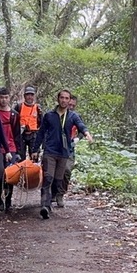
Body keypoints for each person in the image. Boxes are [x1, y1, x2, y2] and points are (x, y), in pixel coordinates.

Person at [32, 90, 93, 219]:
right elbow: (41, 133)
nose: (64, 100)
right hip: (50, 151)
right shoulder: (49, 115)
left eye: (66, 98)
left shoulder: (72, 116)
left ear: (69, 100)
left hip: (64, 152)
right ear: (58, 99)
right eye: (62, 98)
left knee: (58, 179)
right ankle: (45, 206)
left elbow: (81, 125)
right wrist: (35, 149)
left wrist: (86, 133)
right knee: (48, 178)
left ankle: (54, 197)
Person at [0, 87, 22, 211]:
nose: (4, 100)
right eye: (1, 97)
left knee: (10, 176)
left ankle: (8, 202)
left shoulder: (14, 115)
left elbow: (17, 134)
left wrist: (19, 152)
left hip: (11, 148)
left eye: (6, 97)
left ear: (9, 98)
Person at [51, 95, 82, 205]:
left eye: (74, 105)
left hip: (69, 148)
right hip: (55, 147)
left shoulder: (76, 116)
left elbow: (82, 129)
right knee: (53, 171)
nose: (71, 107)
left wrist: (78, 138)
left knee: (67, 170)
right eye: (70, 105)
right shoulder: (55, 114)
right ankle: (53, 193)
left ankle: (60, 194)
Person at [14, 86, 42, 160]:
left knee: (34, 157)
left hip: (33, 135)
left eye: (31, 95)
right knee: (20, 158)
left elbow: (41, 122)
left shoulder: (38, 108)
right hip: (21, 135)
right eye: (28, 95)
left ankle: (33, 171)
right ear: (24, 96)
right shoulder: (18, 107)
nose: (30, 97)